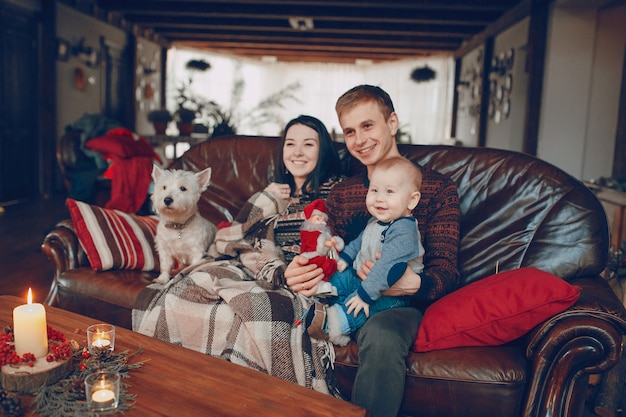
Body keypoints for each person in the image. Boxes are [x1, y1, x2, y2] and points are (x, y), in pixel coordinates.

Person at [284, 85, 461, 417]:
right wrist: (296, 269)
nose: (359, 140)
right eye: (350, 131)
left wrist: (415, 284)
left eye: (368, 126)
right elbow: (325, 250)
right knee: (280, 310)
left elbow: (446, 271)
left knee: (381, 334)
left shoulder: (435, 188)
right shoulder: (344, 192)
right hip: (348, 290)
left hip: (401, 306)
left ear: (391, 123)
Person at [135, 114, 344, 393]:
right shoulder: (271, 192)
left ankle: (241, 395)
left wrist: (291, 271)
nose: (297, 152)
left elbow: (338, 243)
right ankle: (171, 385)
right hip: (257, 266)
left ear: (323, 150)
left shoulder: (336, 190)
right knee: (182, 291)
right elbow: (228, 239)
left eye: (308, 144)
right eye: (290, 144)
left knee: (250, 309)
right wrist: (267, 200)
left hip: (299, 275)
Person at [306, 156, 424, 347]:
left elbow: (387, 266)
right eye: (374, 190)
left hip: (390, 294)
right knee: (339, 276)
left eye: (389, 192)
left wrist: (364, 295)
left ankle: (335, 325)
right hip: (361, 278)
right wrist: (345, 257)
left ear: (412, 201)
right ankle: (321, 298)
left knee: (359, 306)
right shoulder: (376, 221)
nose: (379, 198)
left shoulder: (404, 231)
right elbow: (360, 241)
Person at [299, 199, 344, 297]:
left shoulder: (324, 233)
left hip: (324, 256)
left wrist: (335, 243)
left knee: (330, 264)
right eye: (318, 219)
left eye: (323, 220)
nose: (321, 222)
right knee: (321, 265)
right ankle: (319, 286)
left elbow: (333, 247)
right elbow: (316, 246)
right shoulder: (307, 232)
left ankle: (325, 286)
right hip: (311, 257)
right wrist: (324, 244)